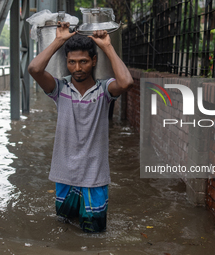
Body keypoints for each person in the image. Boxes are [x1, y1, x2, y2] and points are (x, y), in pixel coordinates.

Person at [28, 21, 133, 232]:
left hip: (95, 175)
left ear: (94, 61)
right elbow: (34, 68)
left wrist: (107, 47)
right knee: (64, 228)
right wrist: (58, 40)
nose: (77, 68)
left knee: (94, 233)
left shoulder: (104, 91)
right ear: (66, 62)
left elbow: (126, 82)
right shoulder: (60, 89)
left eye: (83, 61)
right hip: (64, 173)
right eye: (72, 62)